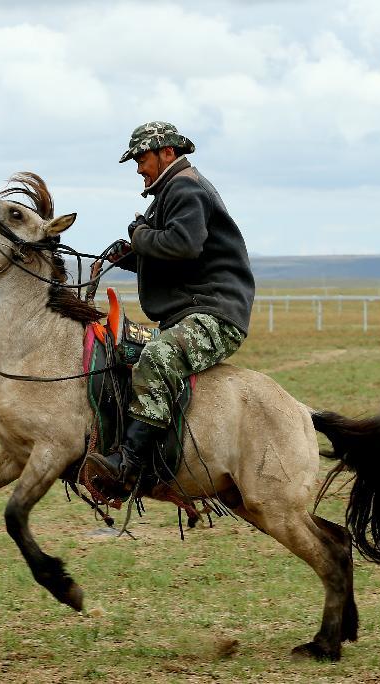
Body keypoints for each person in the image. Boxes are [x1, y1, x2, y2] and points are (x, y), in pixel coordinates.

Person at [87, 121, 256, 488]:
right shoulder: (172, 192)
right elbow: (173, 254)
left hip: (215, 315)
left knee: (158, 356)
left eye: (142, 158)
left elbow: (183, 244)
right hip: (192, 311)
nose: (138, 168)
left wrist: (140, 235)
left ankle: (129, 464)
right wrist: (128, 255)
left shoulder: (185, 188)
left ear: (167, 153)